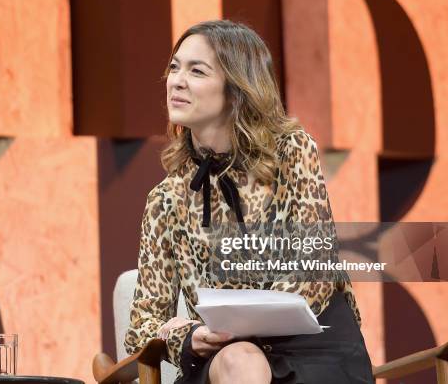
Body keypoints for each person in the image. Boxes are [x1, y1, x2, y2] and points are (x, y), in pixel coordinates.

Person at [124, 20, 374, 384]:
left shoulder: (292, 151)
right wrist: (187, 335)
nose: (176, 80)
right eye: (174, 68)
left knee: (245, 354)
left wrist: (240, 322)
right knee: (242, 359)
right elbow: (141, 326)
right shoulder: (166, 200)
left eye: (197, 71)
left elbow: (313, 272)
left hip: (313, 349)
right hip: (226, 359)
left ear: (237, 89)